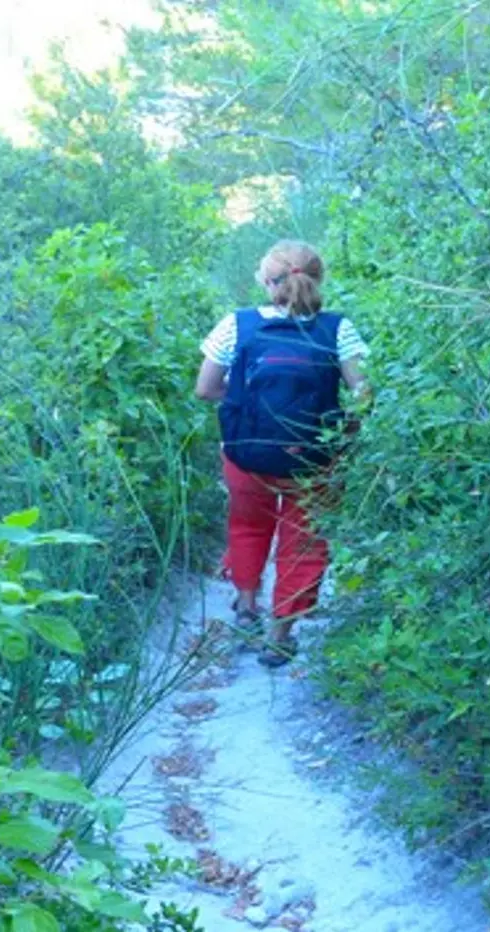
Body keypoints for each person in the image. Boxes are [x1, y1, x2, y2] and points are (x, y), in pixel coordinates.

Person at [193, 240, 369, 668]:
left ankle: (247, 608)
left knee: (248, 526)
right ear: (316, 279)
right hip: (314, 459)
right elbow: (363, 394)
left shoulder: (237, 325)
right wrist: (337, 435)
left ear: (269, 282)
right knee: (303, 539)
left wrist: (244, 409)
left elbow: (204, 389)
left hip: (245, 455)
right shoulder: (338, 329)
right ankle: (279, 635)